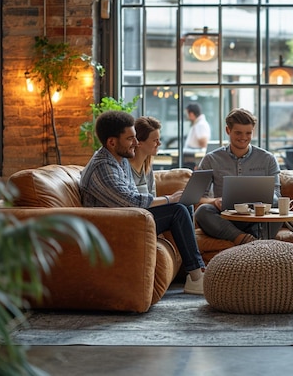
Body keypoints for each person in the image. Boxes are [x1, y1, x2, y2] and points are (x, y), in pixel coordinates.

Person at [79, 110, 206, 295]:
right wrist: (170, 199)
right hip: (112, 226)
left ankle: (196, 272)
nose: (136, 143)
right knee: (177, 210)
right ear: (112, 142)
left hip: (128, 218)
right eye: (131, 139)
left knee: (184, 204)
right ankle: (196, 276)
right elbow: (131, 200)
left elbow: (132, 198)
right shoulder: (103, 167)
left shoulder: (119, 159)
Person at [194, 108, 281, 245]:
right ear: (228, 131)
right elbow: (197, 198)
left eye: (248, 133)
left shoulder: (268, 159)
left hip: (257, 217)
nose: (243, 137)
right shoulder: (211, 159)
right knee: (203, 211)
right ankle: (243, 238)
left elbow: (276, 196)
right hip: (225, 218)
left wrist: (258, 202)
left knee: (277, 210)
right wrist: (215, 201)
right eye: (238, 133)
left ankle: (255, 240)